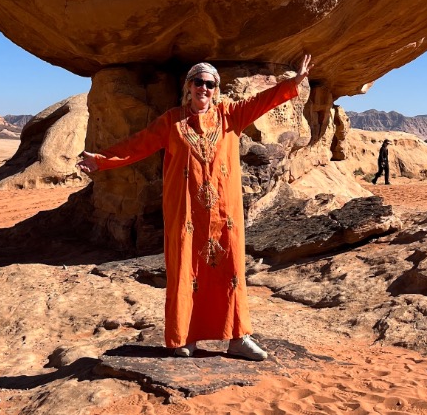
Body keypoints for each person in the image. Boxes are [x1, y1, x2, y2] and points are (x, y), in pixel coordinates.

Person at [79, 55, 313, 361]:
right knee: (185, 271)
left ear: (216, 90)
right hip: (186, 214)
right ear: (188, 87)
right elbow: (139, 144)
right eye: (198, 82)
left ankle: (238, 337)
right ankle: (184, 337)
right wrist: (102, 159)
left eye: (210, 83)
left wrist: (292, 84)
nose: (204, 87)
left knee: (230, 270)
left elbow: (262, 101)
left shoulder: (231, 115)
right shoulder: (172, 121)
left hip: (224, 216)